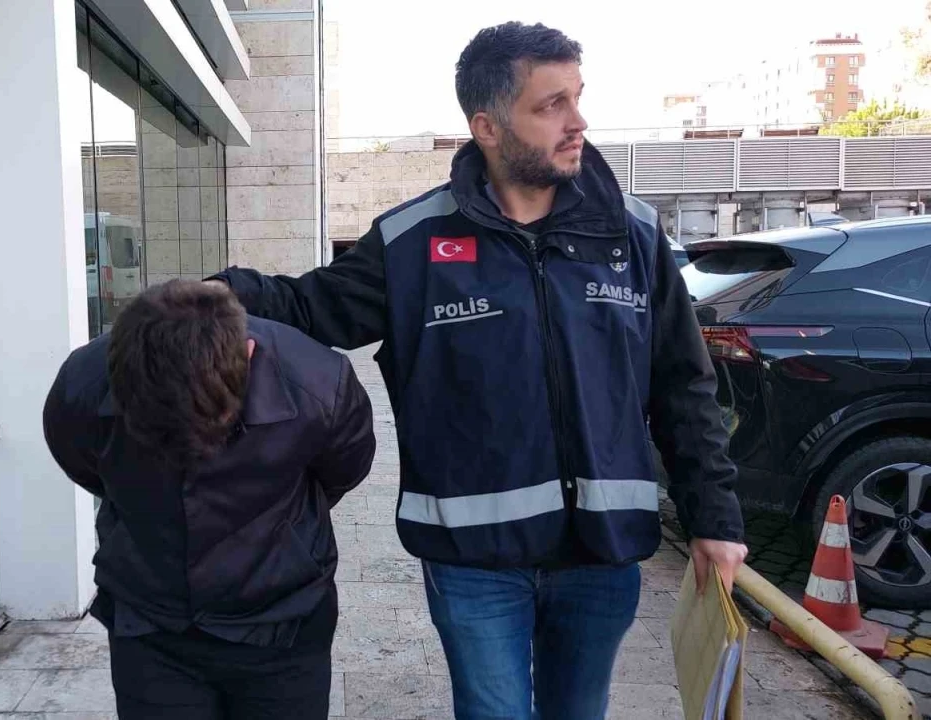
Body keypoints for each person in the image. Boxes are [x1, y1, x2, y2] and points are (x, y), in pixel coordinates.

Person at [206, 22, 748, 720]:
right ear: (487, 127)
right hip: (473, 562)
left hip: (603, 557)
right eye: (551, 104)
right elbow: (309, 307)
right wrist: (213, 296)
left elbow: (683, 386)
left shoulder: (633, 235)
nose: (578, 122)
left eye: (578, 97)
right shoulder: (413, 243)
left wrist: (714, 517)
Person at [42, 279, 375, 720]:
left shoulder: (320, 385)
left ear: (248, 357)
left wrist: (280, 532)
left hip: (283, 624)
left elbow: (344, 469)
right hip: (150, 626)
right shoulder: (81, 386)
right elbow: (81, 463)